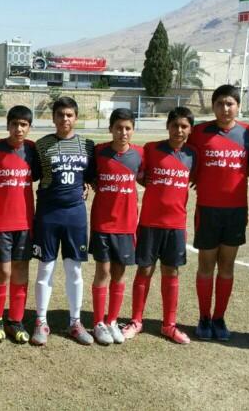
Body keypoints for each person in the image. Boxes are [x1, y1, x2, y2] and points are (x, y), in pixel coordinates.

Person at [122, 107, 197, 344]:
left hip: (176, 224)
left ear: (190, 130)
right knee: (144, 270)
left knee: (171, 271)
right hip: (150, 223)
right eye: (175, 125)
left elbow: (197, 178)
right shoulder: (151, 149)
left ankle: (169, 325)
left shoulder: (193, 154)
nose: (179, 130)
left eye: (184, 126)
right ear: (168, 126)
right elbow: (140, 174)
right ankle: (136, 320)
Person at [188, 85, 249, 340]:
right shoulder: (199, 132)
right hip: (207, 209)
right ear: (213, 106)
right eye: (220, 104)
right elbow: (187, 158)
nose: (225, 109)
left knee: (227, 266)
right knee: (206, 265)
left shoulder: (248, 132)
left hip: (236, 210)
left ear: (238, 106)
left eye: (230, 104)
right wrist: (198, 177)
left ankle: (219, 318)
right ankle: (204, 317)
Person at [32, 97, 95, 346]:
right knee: (45, 268)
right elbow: (33, 175)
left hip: (75, 215)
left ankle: (75, 322)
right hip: (48, 214)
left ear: (76, 117)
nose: (65, 119)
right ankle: (40, 321)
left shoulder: (87, 145)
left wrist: (86, 184)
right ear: (53, 118)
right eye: (60, 114)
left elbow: (90, 176)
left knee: (74, 269)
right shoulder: (41, 145)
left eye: (69, 115)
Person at [0, 106, 39, 344]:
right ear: (8, 125)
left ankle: (15, 320)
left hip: (25, 223)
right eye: (15, 124)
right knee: (4, 271)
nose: (19, 129)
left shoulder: (32, 150)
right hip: (1, 223)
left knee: (21, 270)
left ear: (29, 127)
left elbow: (44, 176)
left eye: (24, 124)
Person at [90, 108, 143, 345]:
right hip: (102, 223)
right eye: (118, 128)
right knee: (102, 272)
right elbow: (88, 176)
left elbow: (146, 177)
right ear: (110, 129)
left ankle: (112, 320)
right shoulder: (99, 152)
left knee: (119, 273)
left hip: (126, 225)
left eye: (128, 128)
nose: (123, 132)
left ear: (133, 130)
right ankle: (98, 323)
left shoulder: (140, 154)